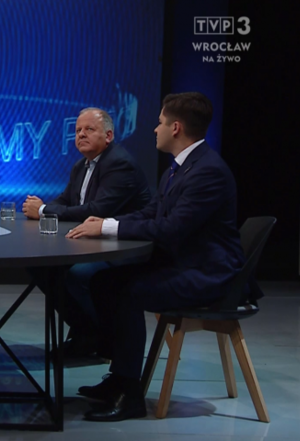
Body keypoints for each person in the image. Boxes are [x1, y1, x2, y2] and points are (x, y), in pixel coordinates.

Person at [66, 92, 253, 421]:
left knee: (127, 292)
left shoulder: (207, 171)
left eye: (160, 122)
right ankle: (120, 377)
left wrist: (108, 227)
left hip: (209, 275)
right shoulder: (179, 169)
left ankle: (130, 395)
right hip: (184, 263)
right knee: (102, 280)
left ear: (175, 127)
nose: (155, 129)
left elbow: (171, 229)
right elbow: (150, 213)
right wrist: (105, 223)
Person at [22, 108, 151, 358]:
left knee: (79, 274)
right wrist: (42, 208)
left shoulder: (119, 164)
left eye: (89, 129)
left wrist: (44, 210)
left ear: (109, 136)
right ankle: (87, 331)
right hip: (93, 243)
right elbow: (65, 200)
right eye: (78, 130)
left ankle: (102, 336)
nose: (81, 135)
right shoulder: (81, 166)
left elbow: (97, 210)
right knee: (39, 266)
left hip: (124, 247)